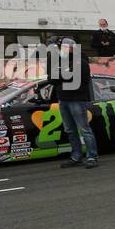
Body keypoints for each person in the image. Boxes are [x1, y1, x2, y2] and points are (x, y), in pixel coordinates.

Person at [48, 37, 98, 169]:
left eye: (63, 47)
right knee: (70, 130)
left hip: (77, 99)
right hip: (63, 99)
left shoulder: (81, 61)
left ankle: (92, 156)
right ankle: (76, 157)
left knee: (84, 129)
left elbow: (79, 79)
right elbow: (51, 79)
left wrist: (61, 76)